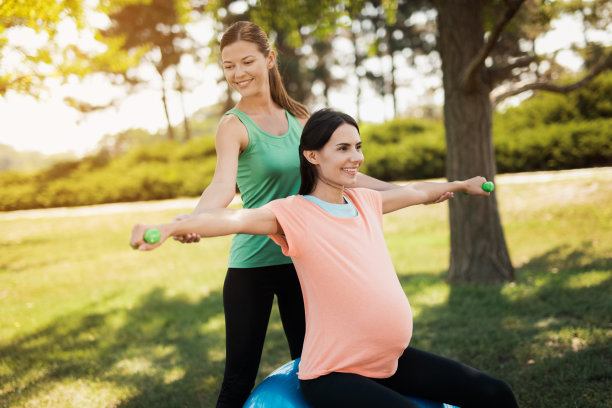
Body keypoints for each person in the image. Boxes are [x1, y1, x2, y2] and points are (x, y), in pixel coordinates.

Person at [131, 109, 519, 408]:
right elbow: (235, 219)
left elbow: (418, 191)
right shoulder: (293, 213)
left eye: (358, 146)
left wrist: (461, 186)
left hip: (387, 362)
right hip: (334, 373)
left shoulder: (366, 201)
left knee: (496, 394)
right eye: (343, 148)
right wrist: (170, 227)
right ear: (312, 155)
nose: (356, 158)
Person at [170, 21, 437, 408]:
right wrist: (196, 220)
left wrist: (408, 194)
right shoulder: (233, 125)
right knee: (239, 377)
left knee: (317, 370)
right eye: (229, 66)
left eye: (247, 61)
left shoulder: (300, 118)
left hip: (306, 263)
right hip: (252, 266)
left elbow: (346, 174)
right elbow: (223, 187)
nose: (238, 73)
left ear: (269, 59)